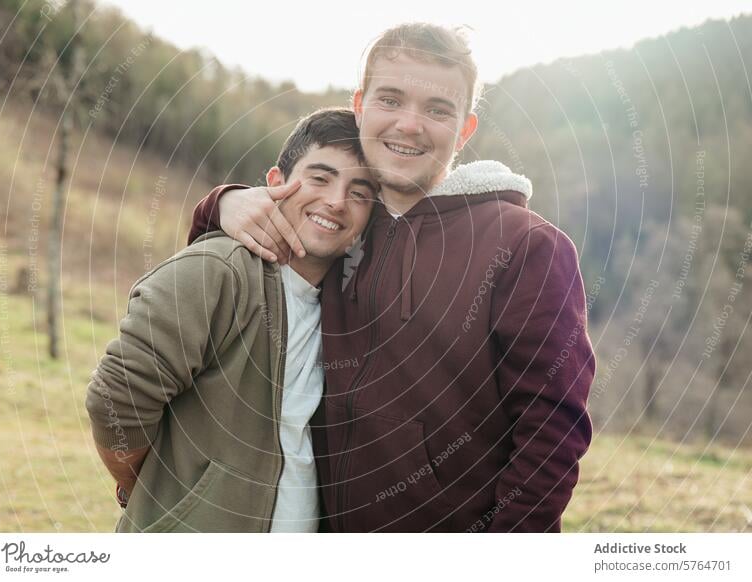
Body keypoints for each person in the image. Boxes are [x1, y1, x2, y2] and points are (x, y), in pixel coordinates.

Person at [188, 23, 595, 532]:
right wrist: (224, 202)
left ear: (464, 130)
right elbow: (216, 251)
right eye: (391, 99)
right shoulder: (340, 223)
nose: (409, 124)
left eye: (438, 110)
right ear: (360, 106)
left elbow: (552, 433)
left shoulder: (527, 246)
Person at [86, 108, 377, 532]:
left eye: (360, 191)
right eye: (319, 177)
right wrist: (152, 489)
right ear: (274, 183)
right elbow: (115, 397)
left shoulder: (351, 306)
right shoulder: (218, 271)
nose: (336, 200)